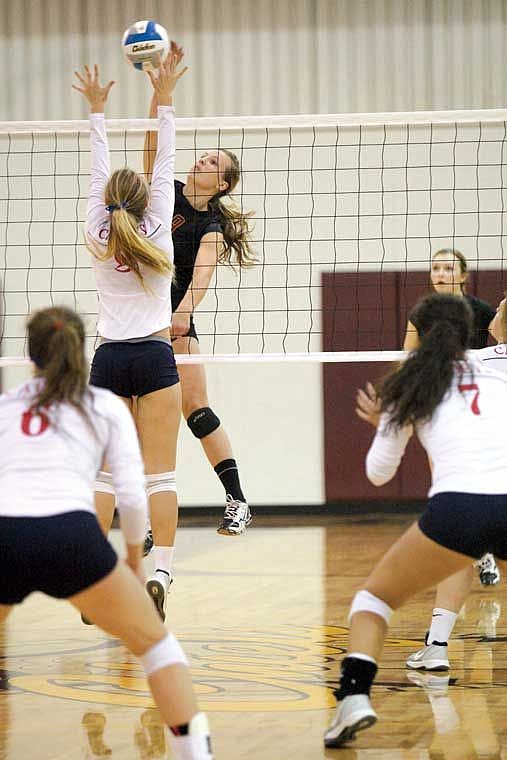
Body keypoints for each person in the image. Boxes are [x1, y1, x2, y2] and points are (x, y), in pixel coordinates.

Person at [0, 306, 213, 760]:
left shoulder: (7, 405)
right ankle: (195, 754)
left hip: (5, 534)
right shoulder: (100, 405)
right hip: (70, 537)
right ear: (81, 352)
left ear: (32, 356)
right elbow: (132, 496)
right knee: (158, 648)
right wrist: (133, 564)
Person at [324, 293, 507, 749]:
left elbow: (378, 473)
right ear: (470, 331)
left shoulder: (411, 385)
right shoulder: (498, 369)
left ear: (418, 335)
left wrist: (388, 420)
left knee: (375, 598)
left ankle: (353, 700)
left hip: (457, 510)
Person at [73, 50, 187, 621]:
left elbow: (102, 173)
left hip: (108, 361)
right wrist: (163, 98)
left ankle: (97, 581)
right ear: (145, 202)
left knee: (106, 475)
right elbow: (164, 164)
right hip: (155, 358)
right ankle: (160, 572)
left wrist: (98, 111)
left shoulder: (98, 231)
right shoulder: (161, 225)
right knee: (160, 474)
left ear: (108, 205)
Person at [143, 88, 256, 539]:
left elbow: (202, 277)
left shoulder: (210, 226)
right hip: (137, 320)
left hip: (174, 322)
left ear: (223, 184)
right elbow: (150, 142)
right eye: (204, 156)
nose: (202, 162)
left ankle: (237, 500)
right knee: (140, 422)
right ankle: (146, 522)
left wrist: (183, 314)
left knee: (196, 410)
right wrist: (159, 92)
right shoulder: (163, 191)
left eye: (213, 163)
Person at [406, 292, 507, 672]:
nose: (493, 312)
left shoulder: (471, 361)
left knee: (455, 555)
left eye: (499, 309)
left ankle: (436, 646)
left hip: (479, 484)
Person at [403, 247, 499, 587]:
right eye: (435, 268)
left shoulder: (482, 311)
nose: (440, 274)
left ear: (462, 275)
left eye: (448, 268)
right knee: (445, 475)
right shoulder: (422, 313)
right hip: (440, 401)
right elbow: (407, 357)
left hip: (477, 403)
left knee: (481, 471)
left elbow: (501, 345)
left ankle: (485, 547)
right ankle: (477, 552)